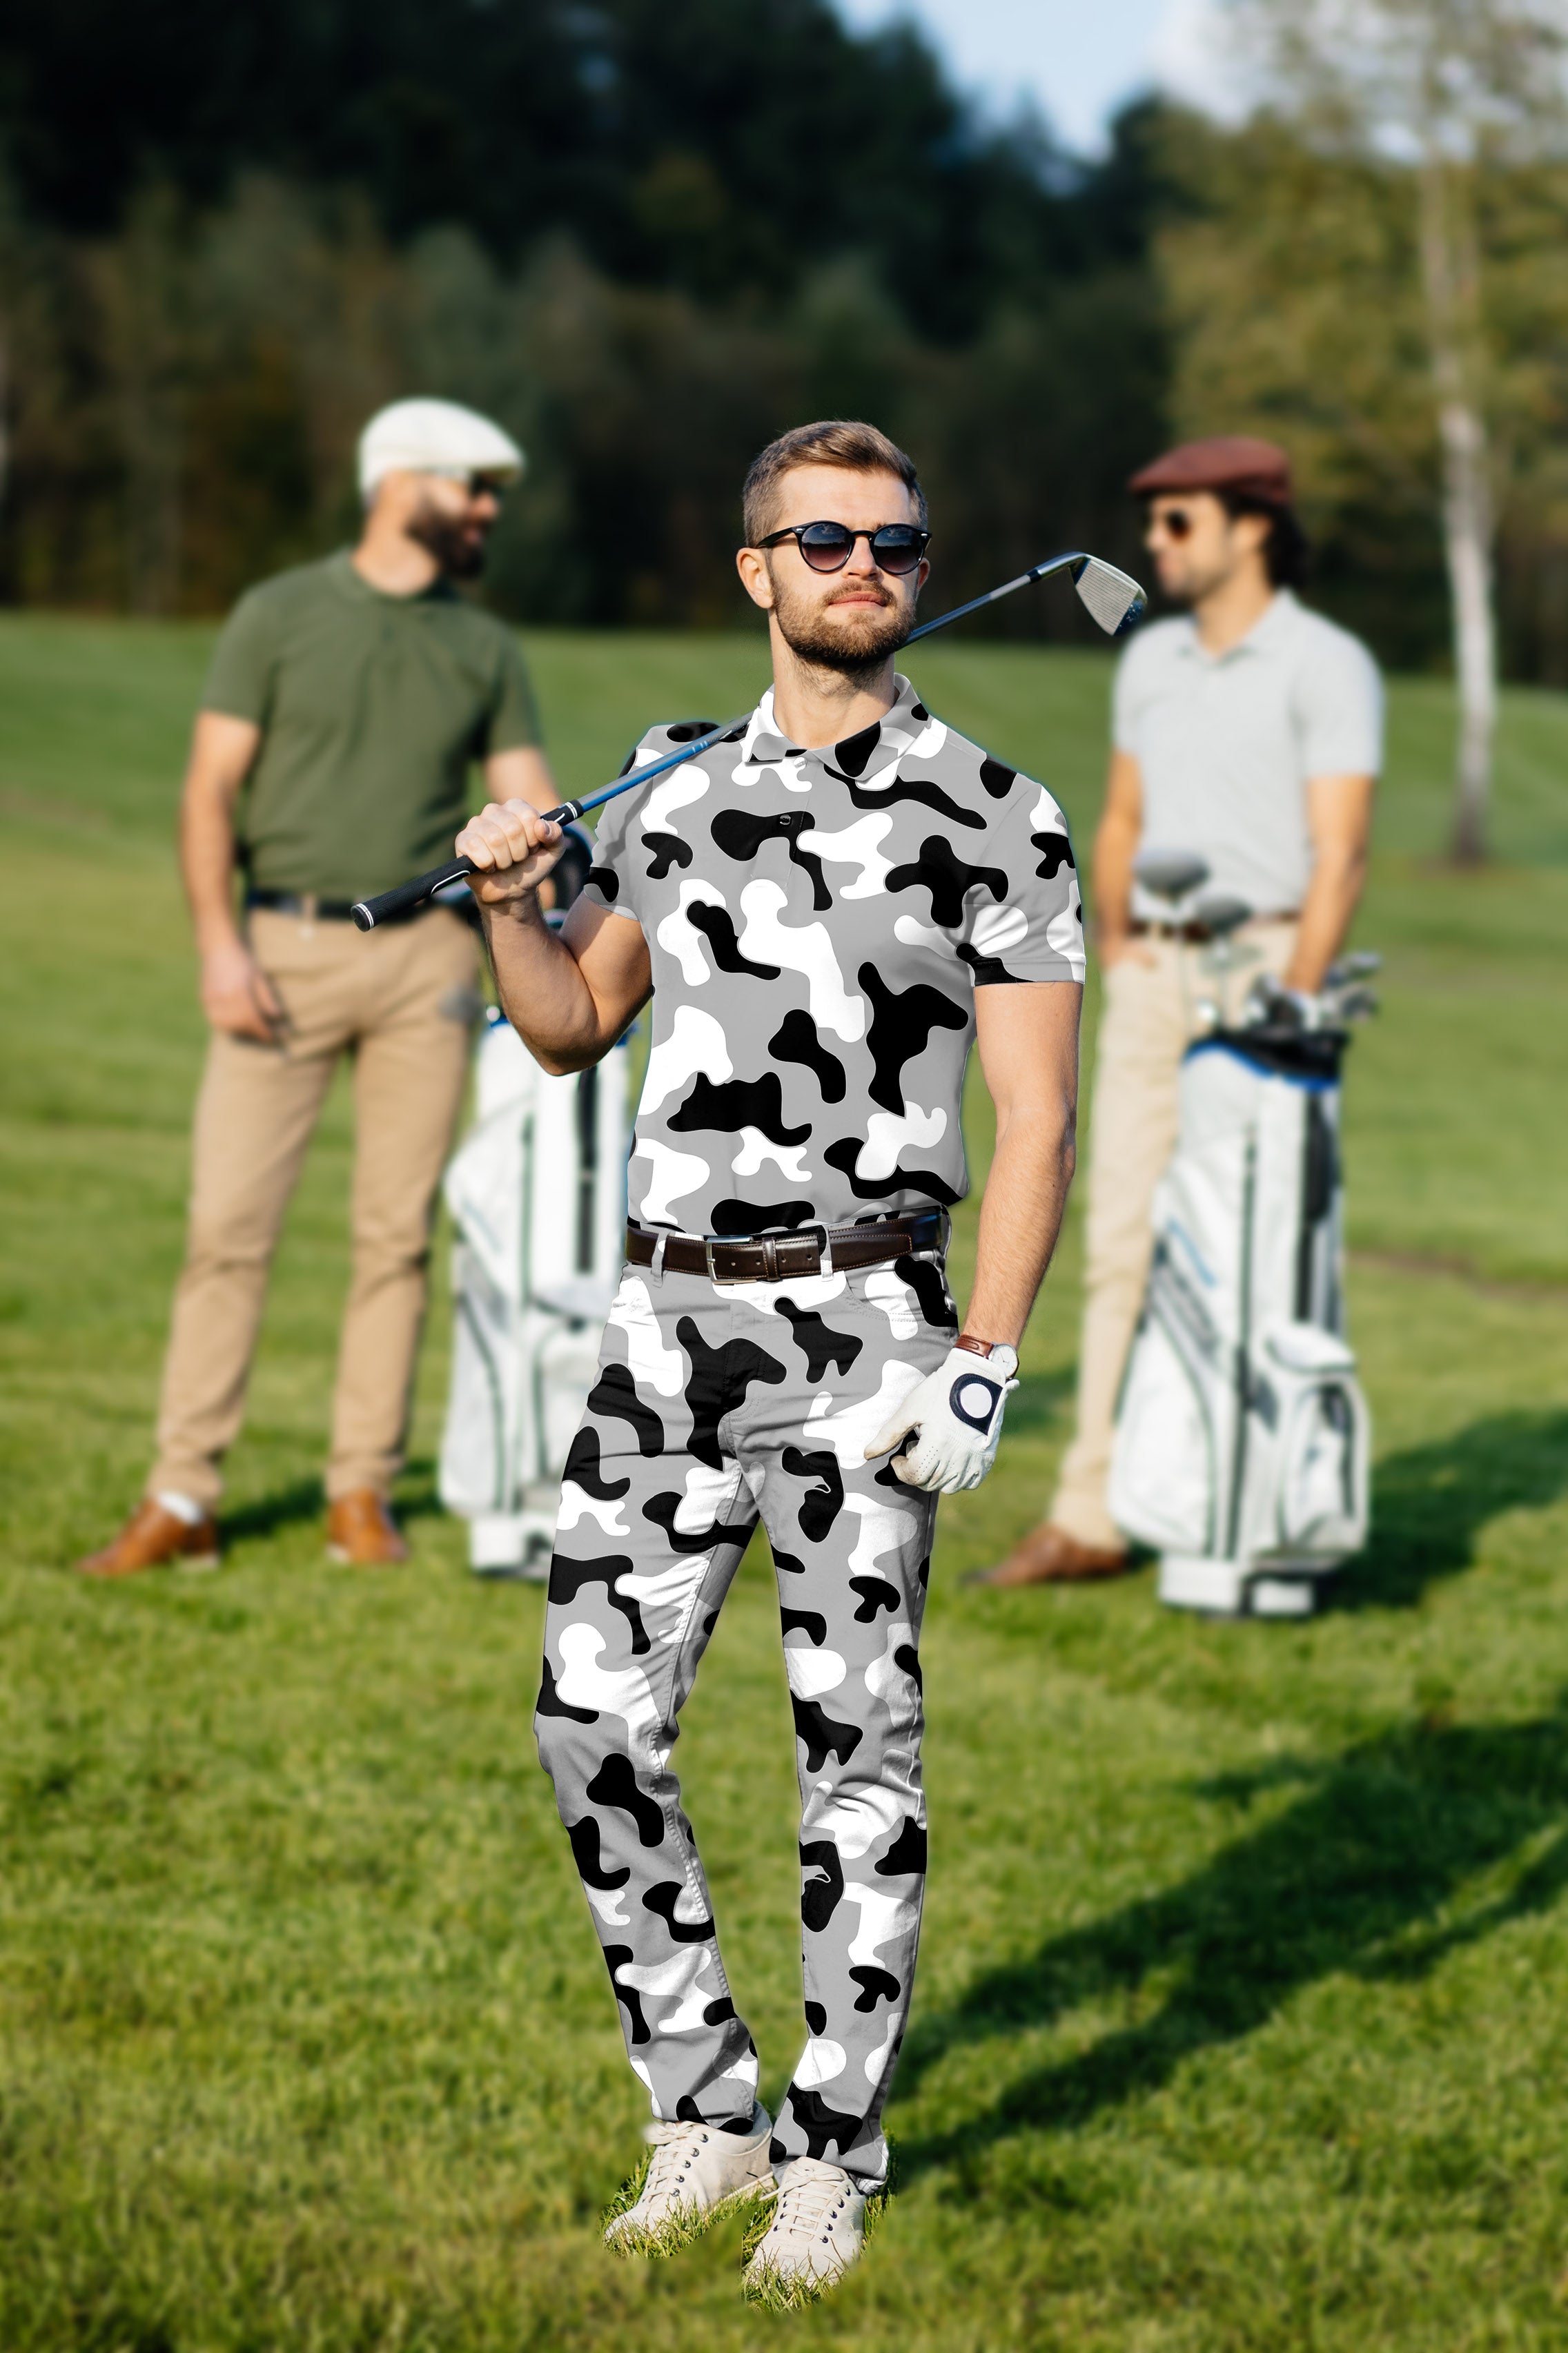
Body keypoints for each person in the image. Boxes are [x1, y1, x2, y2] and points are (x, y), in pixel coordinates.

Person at [453, 419, 1084, 2301]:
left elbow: (1040, 1117)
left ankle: (832, 2153)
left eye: (894, 540)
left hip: (867, 1334)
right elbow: (567, 1026)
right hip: (664, 1334)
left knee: (853, 1760)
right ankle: (703, 2109)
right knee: (588, 1721)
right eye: (823, 539)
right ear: (758, 572)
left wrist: (984, 1357)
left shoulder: (998, 810)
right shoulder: (665, 786)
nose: (863, 564)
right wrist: (507, 902)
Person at [79, 398, 558, 1577]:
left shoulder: (484, 646)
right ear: (399, 483)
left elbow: (536, 802)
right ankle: (183, 1494)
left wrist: (557, 868)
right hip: (279, 950)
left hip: (429, 965)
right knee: (226, 1230)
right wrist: (218, 946)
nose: (487, 510)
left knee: (395, 1238)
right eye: (471, 486)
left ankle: (360, 1494)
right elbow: (209, 790)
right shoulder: (277, 614)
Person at [979, 434, 1382, 1589]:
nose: (1154, 542)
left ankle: (1250, 1505)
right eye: (1151, 521)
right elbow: (1121, 818)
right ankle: (1094, 1512)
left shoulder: (1327, 663)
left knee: (1254, 1249)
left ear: (1253, 527)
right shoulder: (1151, 659)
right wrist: (1119, 940)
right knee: (1120, 1242)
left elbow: (1341, 853)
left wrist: (1295, 998)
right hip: (1155, 975)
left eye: (1179, 520)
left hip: (1267, 973)